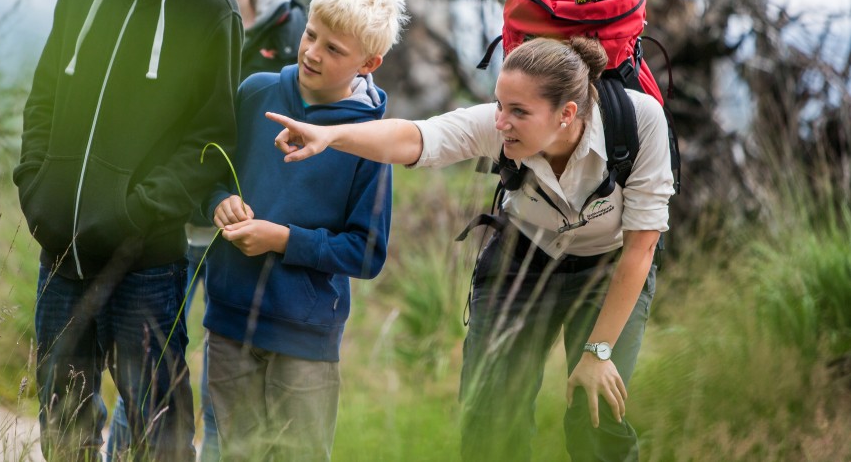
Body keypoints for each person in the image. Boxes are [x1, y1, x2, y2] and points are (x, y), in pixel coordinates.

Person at [268, 36, 675, 461]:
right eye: (500, 105)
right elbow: (417, 137)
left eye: (519, 112)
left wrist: (598, 352)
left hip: (609, 269)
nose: (502, 122)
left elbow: (640, 249)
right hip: (522, 261)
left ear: (566, 114)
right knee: (491, 416)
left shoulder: (639, 121)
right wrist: (329, 135)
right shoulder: (497, 126)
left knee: (596, 413)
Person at [13, 0, 242, 461]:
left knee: (155, 430)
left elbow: (210, 140)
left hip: (146, 263)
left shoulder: (210, 10)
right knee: (63, 421)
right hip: (60, 254)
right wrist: (36, 189)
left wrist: (136, 213)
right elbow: (43, 101)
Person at [107, 0, 306, 462]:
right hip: (174, 219)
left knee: (229, 375)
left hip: (251, 228)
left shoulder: (295, 33)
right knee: (150, 363)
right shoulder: (171, 10)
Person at [204, 0, 408, 461]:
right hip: (228, 323)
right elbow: (208, 171)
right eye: (311, 34)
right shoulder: (256, 92)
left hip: (305, 339)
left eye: (334, 50)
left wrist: (282, 240)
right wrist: (218, 201)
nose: (313, 52)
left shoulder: (370, 142)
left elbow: (367, 252)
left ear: (369, 63)